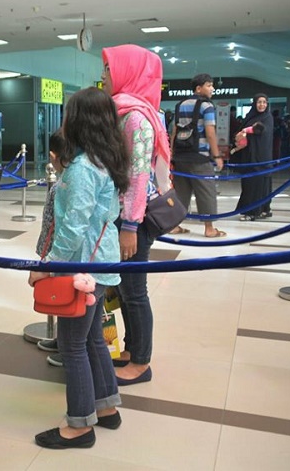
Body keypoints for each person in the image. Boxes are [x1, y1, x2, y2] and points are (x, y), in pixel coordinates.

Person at [28, 87, 128, 449]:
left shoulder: (85, 168)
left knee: (72, 345)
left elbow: (73, 226)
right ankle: (106, 407)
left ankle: (80, 425)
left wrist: (49, 266)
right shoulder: (106, 160)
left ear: (81, 121)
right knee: (92, 338)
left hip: (81, 267)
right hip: (99, 263)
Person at [101, 44, 169, 386]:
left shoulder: (136, 117)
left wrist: (129, 226)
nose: (103, 76)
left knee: (135, 291)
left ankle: (141, 362)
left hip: (134, 219)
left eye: (108, 69)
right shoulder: (124, 111)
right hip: (125, 215)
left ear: (127, 72)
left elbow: (139, 176)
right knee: (126, 289)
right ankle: (131, 349)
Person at [169, 73, 226, 238]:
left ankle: (174, 225)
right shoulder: (207, 106)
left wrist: (172, 153)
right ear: (198, 88)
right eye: (209, 85)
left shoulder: (180, 105)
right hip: (199, 157)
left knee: (181, 193)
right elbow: (210, 132)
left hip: (180, 156)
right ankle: (209, 229)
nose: (212, 88)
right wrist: (217, 156)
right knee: (206, 192)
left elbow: (174, 131)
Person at [33, 129, 67, 366]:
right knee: (62, 296)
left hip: (61, 251)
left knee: (67, 296)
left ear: (53, 156)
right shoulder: (65, 181)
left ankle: (68, 348)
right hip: (54, 249)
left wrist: (50, 258)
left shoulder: (65, 184)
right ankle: (62, 339)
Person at [234, 94, 274, 221]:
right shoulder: (250, 117)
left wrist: (247, 131)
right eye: (259, 102)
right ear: (254, 104)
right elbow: (240, 131)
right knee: (249, 184)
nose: (262, 105)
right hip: (249, 156)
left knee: (260, 183)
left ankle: (255, 211)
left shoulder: (268, 117)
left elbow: (261, 129)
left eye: (264, 102)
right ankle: (254, 210)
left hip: (262, 157)